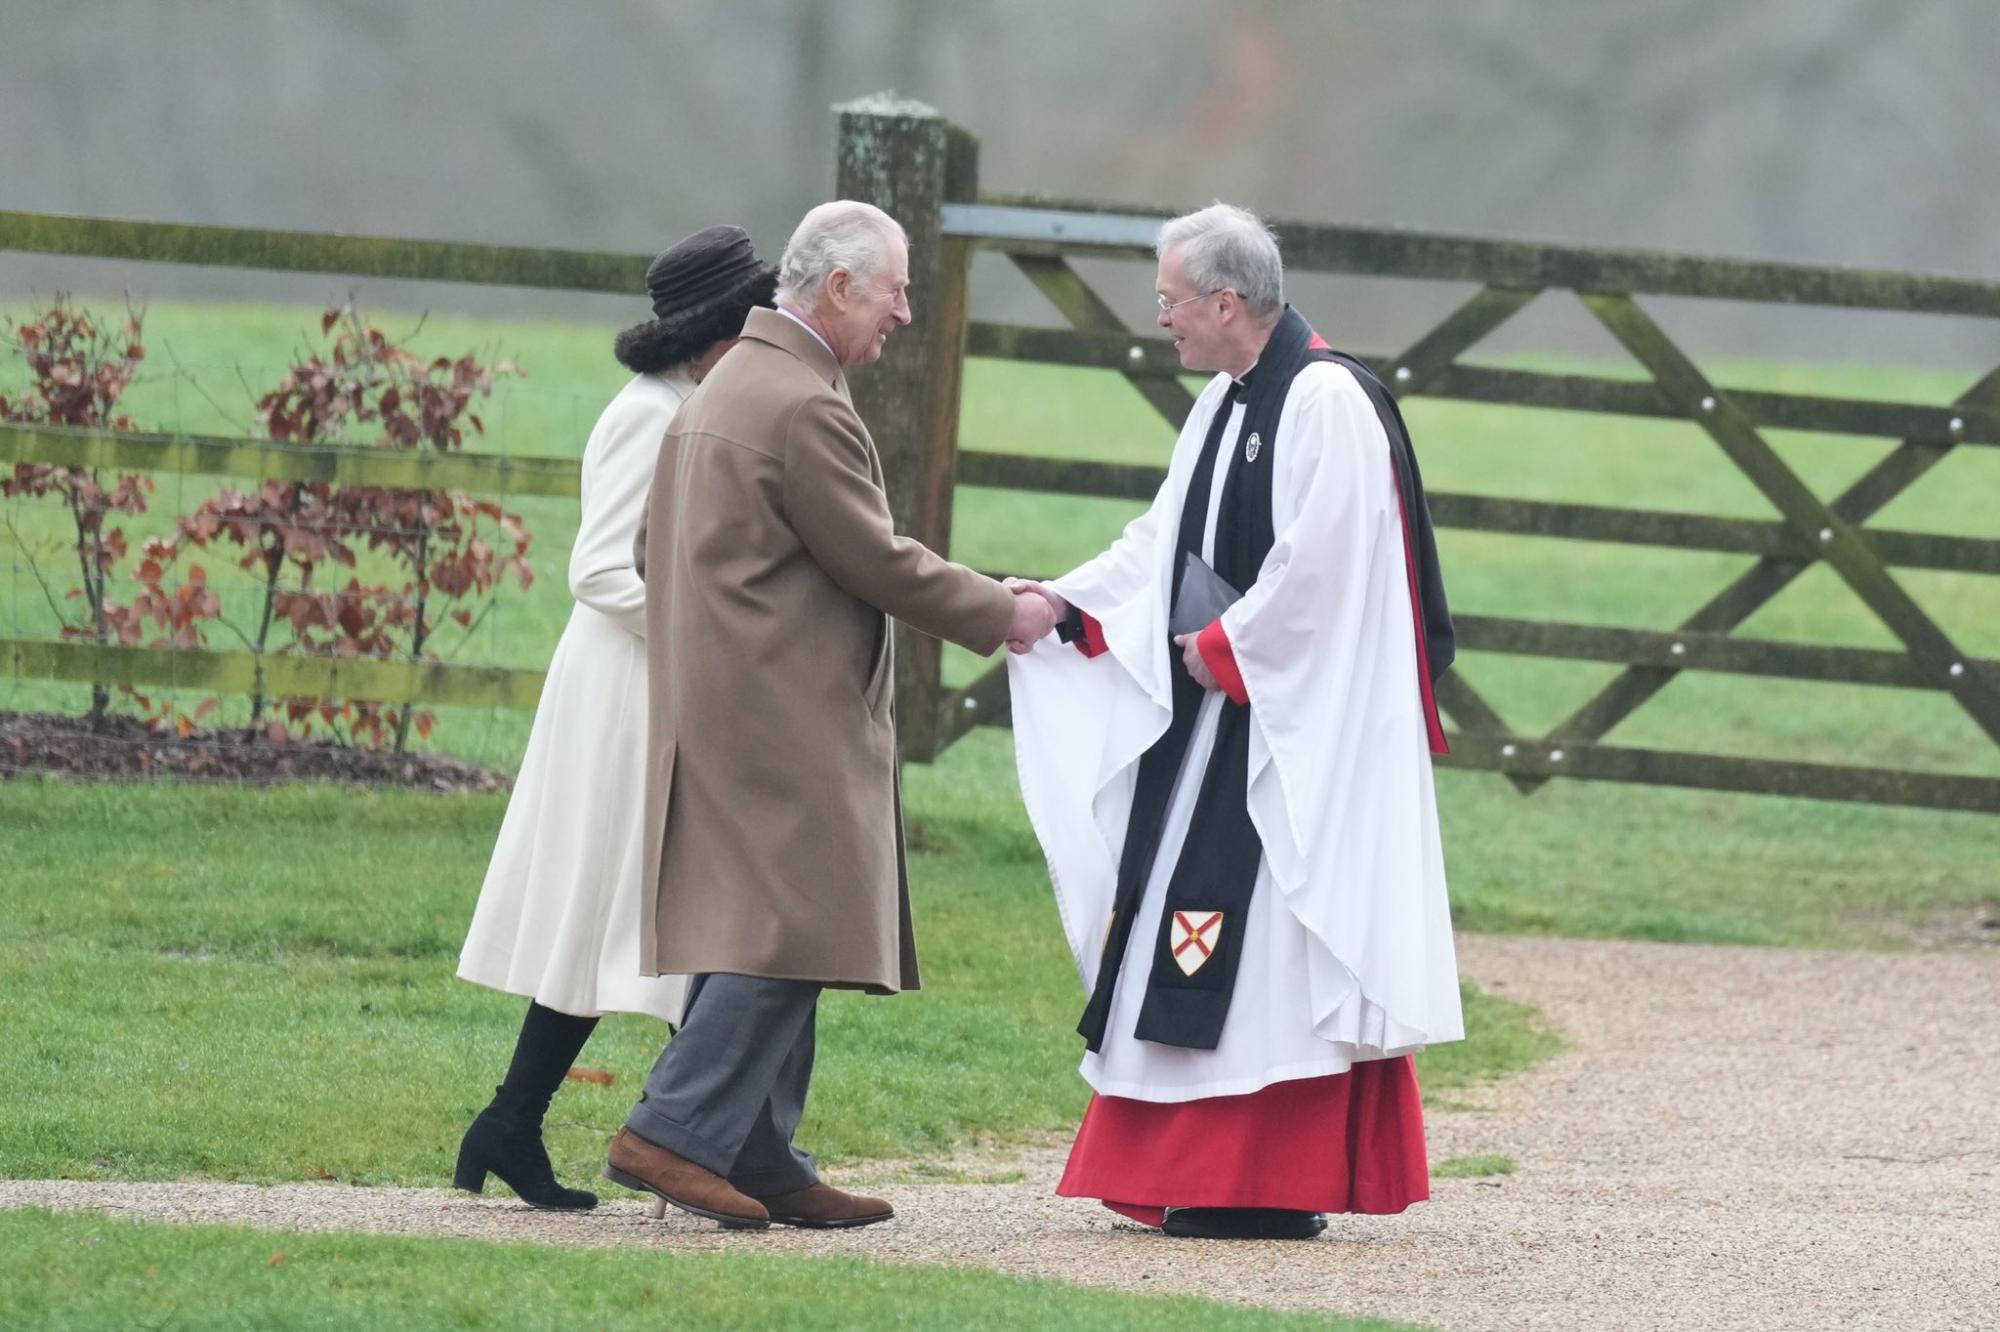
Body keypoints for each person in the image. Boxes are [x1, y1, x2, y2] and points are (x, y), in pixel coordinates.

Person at [1005, 203, 1463, 1240]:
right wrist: (1064, 606)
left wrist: (1219, 650)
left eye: (1168, 302)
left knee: (1267, 953)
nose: (1158, 321)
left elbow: (1329, 567)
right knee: (1191, 935)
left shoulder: (1328, 401)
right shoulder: (1220, 400)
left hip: (1291, 738)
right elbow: (1159, 546)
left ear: (1223, 301)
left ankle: (1262, 1180)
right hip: (1216, 726)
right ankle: (1194, 1173)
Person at [601, 200, 1057, 1231]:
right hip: (781, 715)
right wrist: (1006, 610)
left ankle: (758, 1152)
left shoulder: (724, 390)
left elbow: (645, 553)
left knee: (769, 924)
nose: (903, 311)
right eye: (894, 289)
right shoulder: (799, 403)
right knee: (792, 927)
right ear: (840, 286)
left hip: (722, 703)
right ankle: (669, 1132)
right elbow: (875, 559)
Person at [453, 226, 778, 1211]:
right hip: (626, 689)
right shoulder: (652, 414)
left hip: (655, 682)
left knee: (626, 916)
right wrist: (714, 632)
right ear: (716, 329)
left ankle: (524, 1124)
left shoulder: (691, 403)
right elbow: (597, 571)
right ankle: (690, 1143)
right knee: (621, 910)